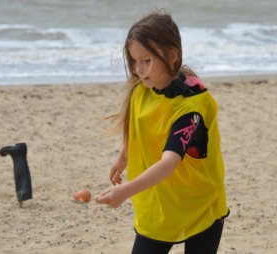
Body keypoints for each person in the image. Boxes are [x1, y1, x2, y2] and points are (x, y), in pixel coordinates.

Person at [96, 9, 230, 254]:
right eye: (134, 61)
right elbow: (140, 127)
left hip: (200, 202)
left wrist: (124, 191)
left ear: (172, 56)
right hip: (159, 204)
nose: (139, 69)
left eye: (147, 60)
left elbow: (169, 163)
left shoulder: (190, 108)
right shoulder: (142, 90)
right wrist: (123, 156)